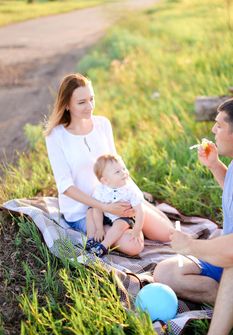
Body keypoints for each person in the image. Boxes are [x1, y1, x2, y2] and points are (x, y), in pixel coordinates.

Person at [45, 73, 172, 258]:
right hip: (84, 212)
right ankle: (117, 231)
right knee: (134, 246)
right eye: (81, 102)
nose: (89, 107)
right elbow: (65, 186)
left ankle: (137, 217)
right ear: (66, 105)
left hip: (116, 198)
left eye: (91, 99)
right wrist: (105, 208)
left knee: (168, 233)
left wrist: (134, 197)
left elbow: (117, 165)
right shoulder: (56, 136)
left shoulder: (102, 124)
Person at [154, 98, 233, 335]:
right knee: (164, 272)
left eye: (219, 125)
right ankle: (223, 302)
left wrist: (190, 245)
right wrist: (215, 166)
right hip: (224, 252)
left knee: (232, 266)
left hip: (230, 255)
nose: (212, 131)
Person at [86, 154, 145, 257]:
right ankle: (91, 240)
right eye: (118, 172)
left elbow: (140, 212)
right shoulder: (100, 190)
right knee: (91, 211)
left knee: (120, 225)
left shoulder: (130, 190)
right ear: (105, 180)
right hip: (106, 215)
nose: (124, 173)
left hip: (122, 217)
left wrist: (137, 230)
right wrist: (99, 228)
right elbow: (97, 209)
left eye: (124, 168)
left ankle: (103, 247)